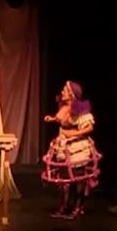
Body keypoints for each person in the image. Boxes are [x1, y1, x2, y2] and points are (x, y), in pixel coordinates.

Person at [41, 81, 102, 220]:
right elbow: (61, 121)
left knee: (78, 178)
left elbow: (89, 127)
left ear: (71, 94)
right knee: (64, 179)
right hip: (64, 147)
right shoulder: (63, 108)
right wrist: (53, 120)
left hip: (77, 148)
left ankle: (77, 208)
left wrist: (74, 134)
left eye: (65, 90)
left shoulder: (79, 109)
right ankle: (64, 206)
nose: (62, 92)